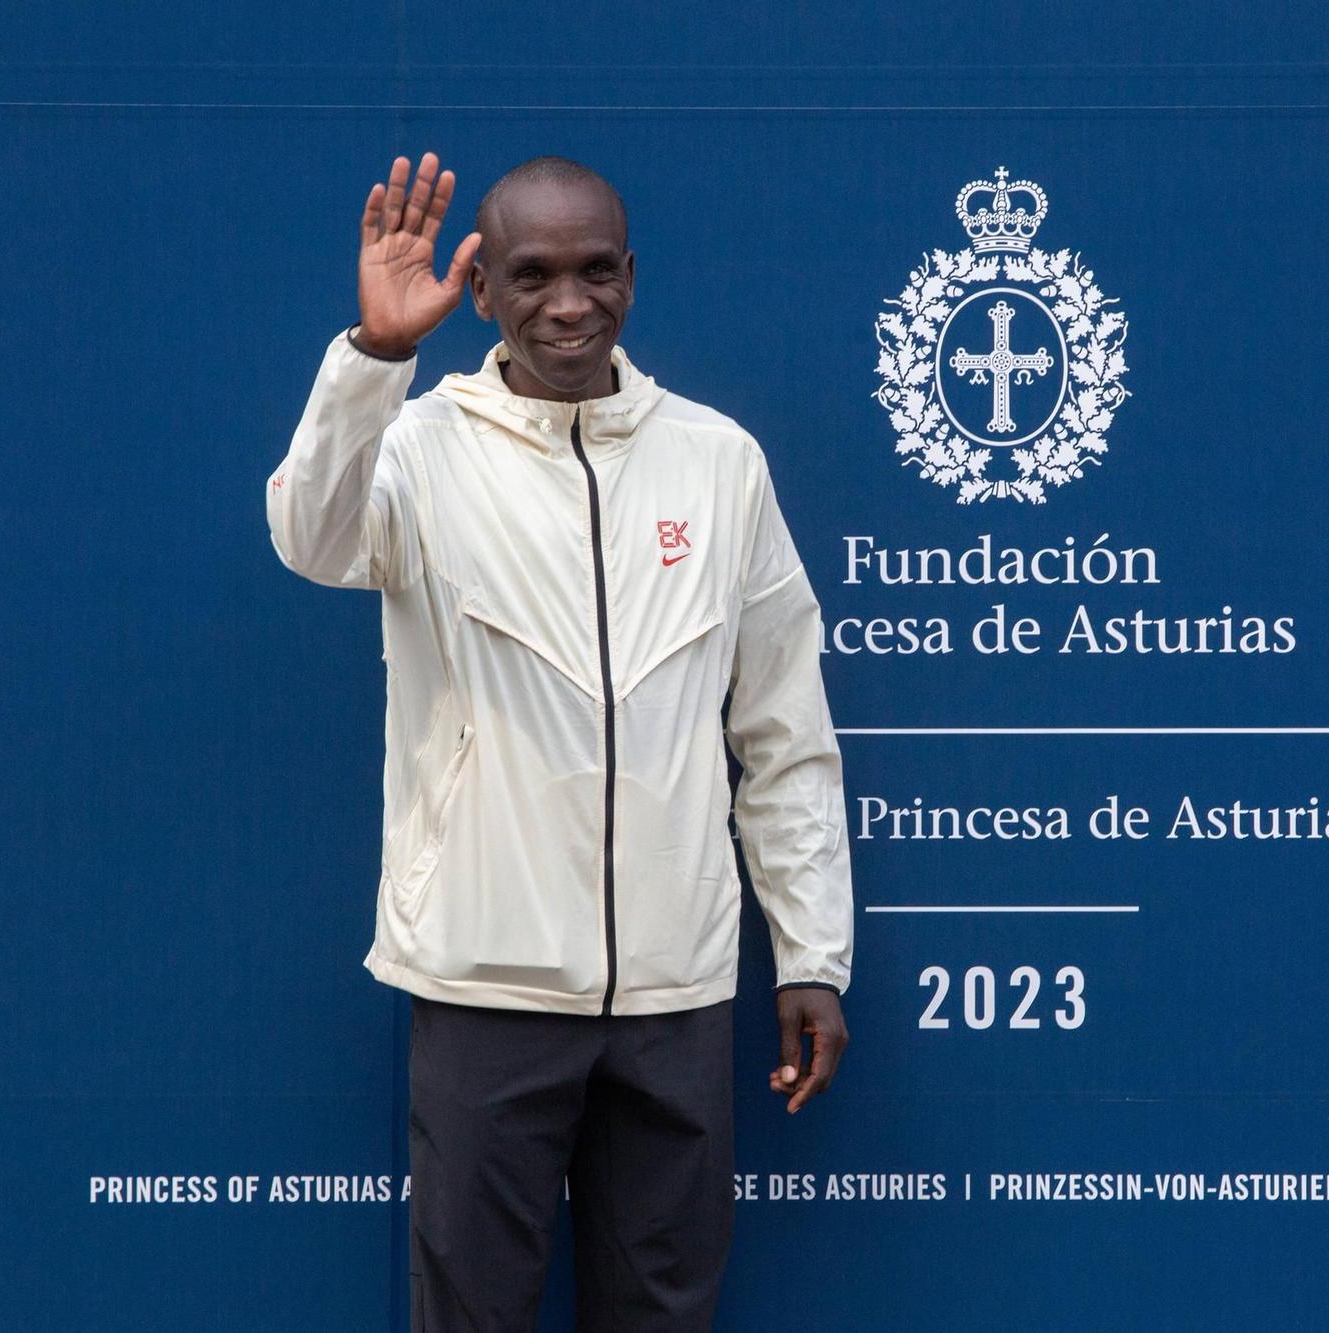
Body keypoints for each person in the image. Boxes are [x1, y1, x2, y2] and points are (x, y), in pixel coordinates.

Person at [264, 151, 853, 1332]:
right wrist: (375, 357)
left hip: (674, 992)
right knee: (472, 1311)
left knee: (663, 1311)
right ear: (480, 291)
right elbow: (311, 538)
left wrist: (811, 954)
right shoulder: (420, 447)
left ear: (632, 276)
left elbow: (783, 731)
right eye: (531, 274)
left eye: (594, 271)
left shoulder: (718, 461)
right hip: (485, 981)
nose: (568, 302)